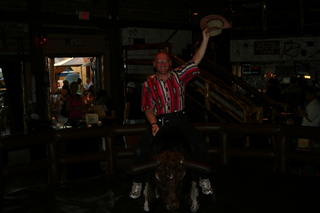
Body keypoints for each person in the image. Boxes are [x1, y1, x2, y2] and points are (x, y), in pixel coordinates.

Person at [129, 28, 212, 199]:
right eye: (159, 62)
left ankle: (204, 179)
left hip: (180, 119)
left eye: (165, 61)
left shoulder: (179, 75)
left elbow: (196, 60)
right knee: (138, 152)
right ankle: (137, 183)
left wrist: (205, 39)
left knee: (201, 147)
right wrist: (153, 124)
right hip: (159, 121)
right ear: (154, 64)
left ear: (170, 63)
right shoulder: (148, 84)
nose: (162, 64)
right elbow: (148, 108)